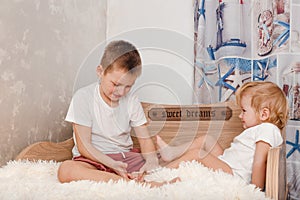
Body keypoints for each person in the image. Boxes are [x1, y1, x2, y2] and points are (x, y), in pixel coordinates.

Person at [57, 40, 162, 186]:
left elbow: (144, 139)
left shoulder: (131, 100)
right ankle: (131, 184)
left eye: (128, 87)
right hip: (94, 159)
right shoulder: (83, 97)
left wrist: (150, 162)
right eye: (116, 84)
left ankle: (125, 179)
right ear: (101, 72)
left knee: (165, 157)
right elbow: (84, 146)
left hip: (125, 159)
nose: (120, 92)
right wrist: (112, 164)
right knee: (66, 169)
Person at [157, 81, 288, 190]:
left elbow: (259, 162)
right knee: (208, 140)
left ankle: (160, 173)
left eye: (244, 111)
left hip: (234, 174)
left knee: (198, 153)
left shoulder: (268, 129)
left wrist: (255, 191)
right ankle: (171, 153)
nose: (240, 115)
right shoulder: (262, 128)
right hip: (228, 163)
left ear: (264, 114)